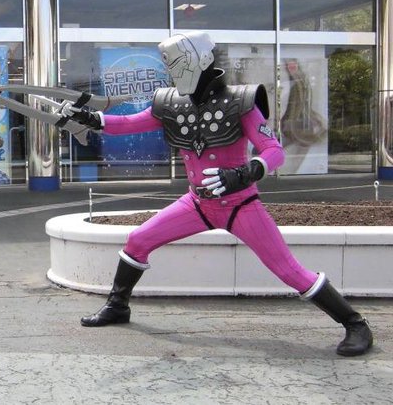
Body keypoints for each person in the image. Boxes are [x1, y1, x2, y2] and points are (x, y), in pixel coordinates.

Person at [60, 32, 373, 357]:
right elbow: (128, 122)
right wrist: (91, 118)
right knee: (138, 240)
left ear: (202, 59)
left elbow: (274, 151)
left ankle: (355, 323)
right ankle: (117, 306)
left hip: (240, 205)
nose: (173, 71)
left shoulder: (240, 102)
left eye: (178, 62)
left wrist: (246, 172)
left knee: (289, 271)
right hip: (197, 203)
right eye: (170, 64)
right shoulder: (171, 103)